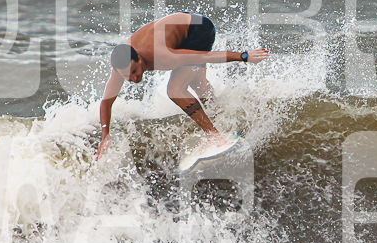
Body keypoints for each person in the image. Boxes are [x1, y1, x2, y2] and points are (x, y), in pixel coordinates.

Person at [95, 12, 268, 160]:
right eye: (127, 76)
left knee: (175, 90)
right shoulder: (120, 66)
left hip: (198, 29)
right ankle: (222, 117)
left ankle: (214, 136)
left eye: (134, 71)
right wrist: (105, 134)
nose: (133, 78)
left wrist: (245, 56)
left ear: (139, 58)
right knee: (197, 82)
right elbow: (106, 102)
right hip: (181, 27)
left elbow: (205, 57)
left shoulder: (162, 55)